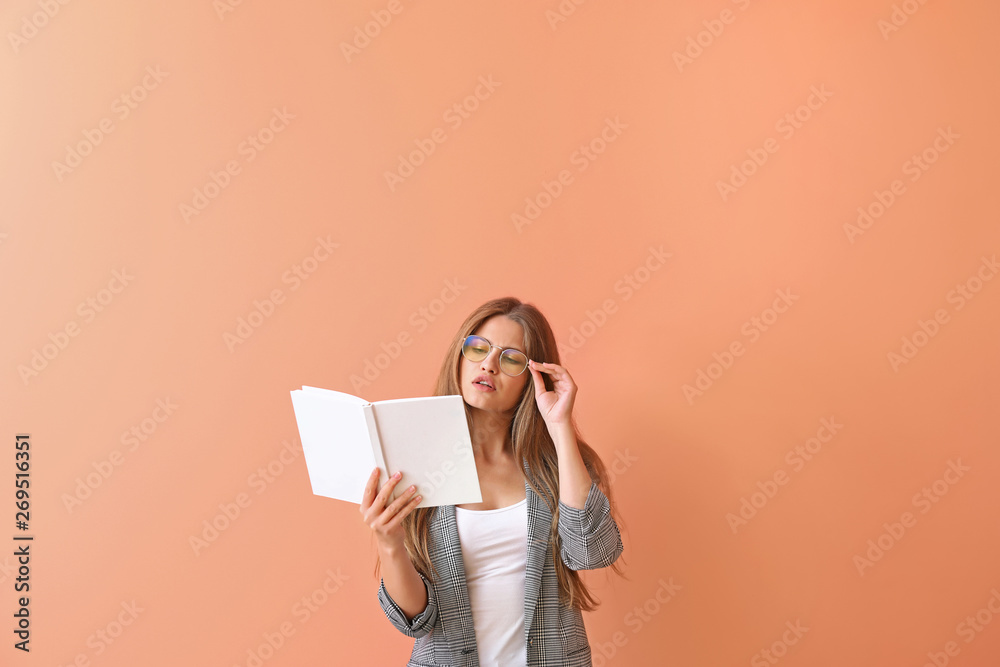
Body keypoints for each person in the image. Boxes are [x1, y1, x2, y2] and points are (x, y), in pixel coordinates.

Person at [359, 296, 626, 666]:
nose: (488, 364)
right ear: (459, 355)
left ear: (534, 377)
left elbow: (591, 552)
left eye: (511, 359)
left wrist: (560, 426)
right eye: (478, 348)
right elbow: (416, 620)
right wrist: (389, 544)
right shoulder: (416, 465)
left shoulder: (558, 465)